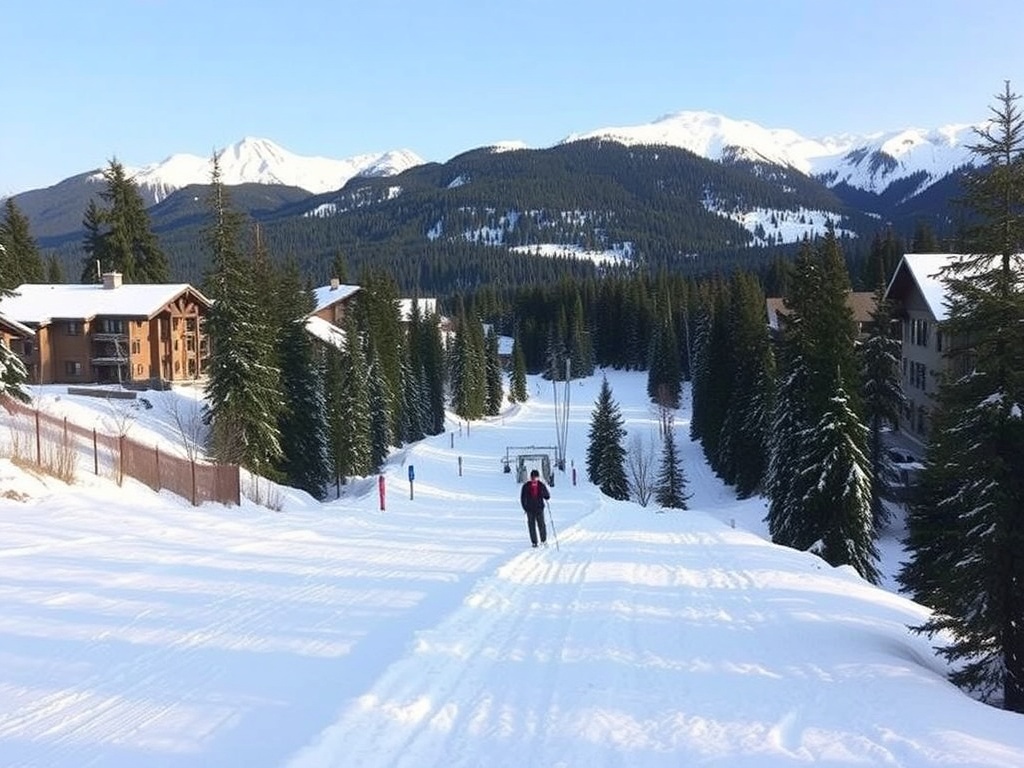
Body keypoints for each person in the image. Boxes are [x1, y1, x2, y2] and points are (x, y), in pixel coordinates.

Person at [520, 469, 550, 548]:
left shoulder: (540, 485)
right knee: (533, 526)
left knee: (539, 525)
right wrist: (525, 508)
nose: (534, 479)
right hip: (532, 509)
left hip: (537, 508)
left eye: (535, 477)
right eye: (533, 477)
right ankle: (536, 542)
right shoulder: (527, 486)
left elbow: (547, 496)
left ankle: (542, 540)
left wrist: (544, 493)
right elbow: (523, 498)